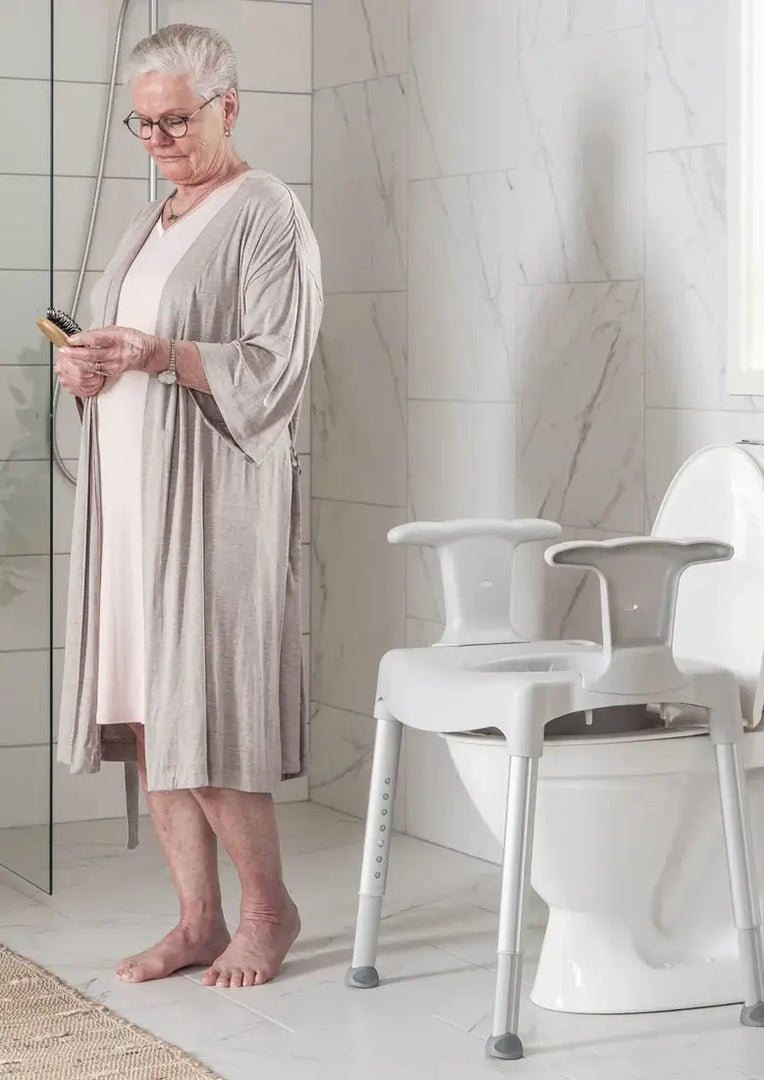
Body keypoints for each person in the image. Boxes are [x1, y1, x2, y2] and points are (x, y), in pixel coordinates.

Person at [54, 23, 322, 990]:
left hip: (211, 503)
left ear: (228, 108)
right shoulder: (151, 220)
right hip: (129, 505)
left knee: (205, 705)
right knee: (149, 713)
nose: (160, 140)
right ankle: (197, 919)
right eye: (145, 123)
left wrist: (158, 356)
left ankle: (268, 910)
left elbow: (277, 363)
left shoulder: (267, 213)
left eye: (177, 121)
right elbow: (122, 348)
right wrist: (81, 364)